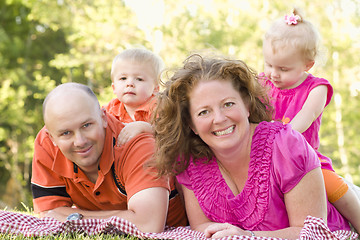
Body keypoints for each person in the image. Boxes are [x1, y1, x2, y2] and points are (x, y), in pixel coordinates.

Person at [152, 53, 351, 239]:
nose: (220, 119)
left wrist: (247, 236)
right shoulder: (190, 161)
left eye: (228, 104)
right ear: (190, 124)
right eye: (204, 112)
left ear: (246, 105)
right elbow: (202, 227)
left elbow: (310, 233)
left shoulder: (286, 146)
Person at [31, 82, 187, 233]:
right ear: (51, 137)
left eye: (86, 125)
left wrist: (75, 217)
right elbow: (48, 214)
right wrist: (129, 217)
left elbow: (148, 225)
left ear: (103, 117)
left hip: (175, 228)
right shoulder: (46, 145)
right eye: (66, 133)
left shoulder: (138, 145)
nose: (80, 141)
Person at [260, 9, 360, 232]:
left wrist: (275, 136)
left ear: (308, 65)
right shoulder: (262, 84)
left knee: (334, 187)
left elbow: (300, 123)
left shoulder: (317, 89)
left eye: (283, 69)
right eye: (268, 64)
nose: (273, 74)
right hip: (265, 157)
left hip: (305, 160)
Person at [104, 48, 163, 145]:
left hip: (150, 155)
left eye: (139, 79)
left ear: (155, 88)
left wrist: (145, 127)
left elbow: (170, 132)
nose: (130, 83)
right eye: (123, 78)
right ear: (114, 87)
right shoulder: (111, 108)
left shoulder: (158, 107)